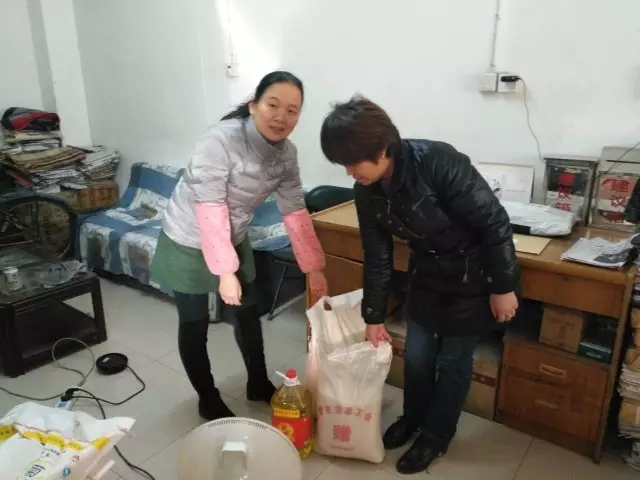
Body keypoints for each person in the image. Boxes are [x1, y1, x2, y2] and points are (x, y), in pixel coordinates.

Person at [319, 96, 518, 474]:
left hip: (473, 274)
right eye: (343, 164)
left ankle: (436, 436)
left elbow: (494, 223)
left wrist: (503, 286)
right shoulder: (367, 190)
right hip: (426, 272)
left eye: (353, 162)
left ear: (382, 149)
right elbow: (377, 255)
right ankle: (413, 418)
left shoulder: (438, 162)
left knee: (453, 361)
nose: (349, 172)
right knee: (417, 356)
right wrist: (373, 317)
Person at [150, 71, 328, 421]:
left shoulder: (286, 154)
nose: (281, 117)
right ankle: (207, 398)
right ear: (253, 105)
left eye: (292, 110)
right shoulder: (220, 140)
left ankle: (257, 382)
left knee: (248, 311)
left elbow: (294, 210)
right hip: (189, 236)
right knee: (195, 321)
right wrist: (225, 271)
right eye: (273, 105)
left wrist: (313, 267)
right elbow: (210, 204)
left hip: (233, 234)